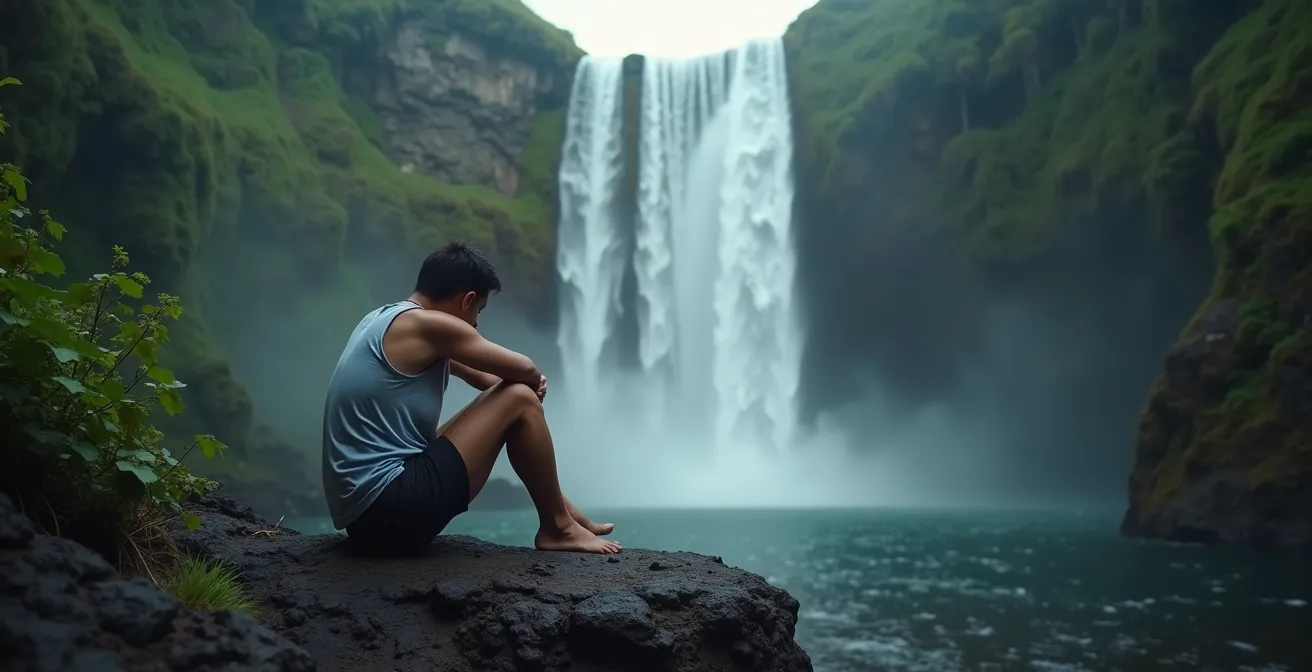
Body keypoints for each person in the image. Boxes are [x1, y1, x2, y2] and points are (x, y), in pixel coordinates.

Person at [321, 241, 621, 555]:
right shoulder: (428, 326)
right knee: (518, 397)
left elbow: (490, 383)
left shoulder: (384, 320)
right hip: (390, 510)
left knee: (515, 399)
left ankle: (561, 510)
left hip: (366, 520)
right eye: (479, 311)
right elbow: (524, 369)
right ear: (467, 300)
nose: (476, 323)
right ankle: (558, 528)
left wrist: (521, 390)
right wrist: (531, 385)